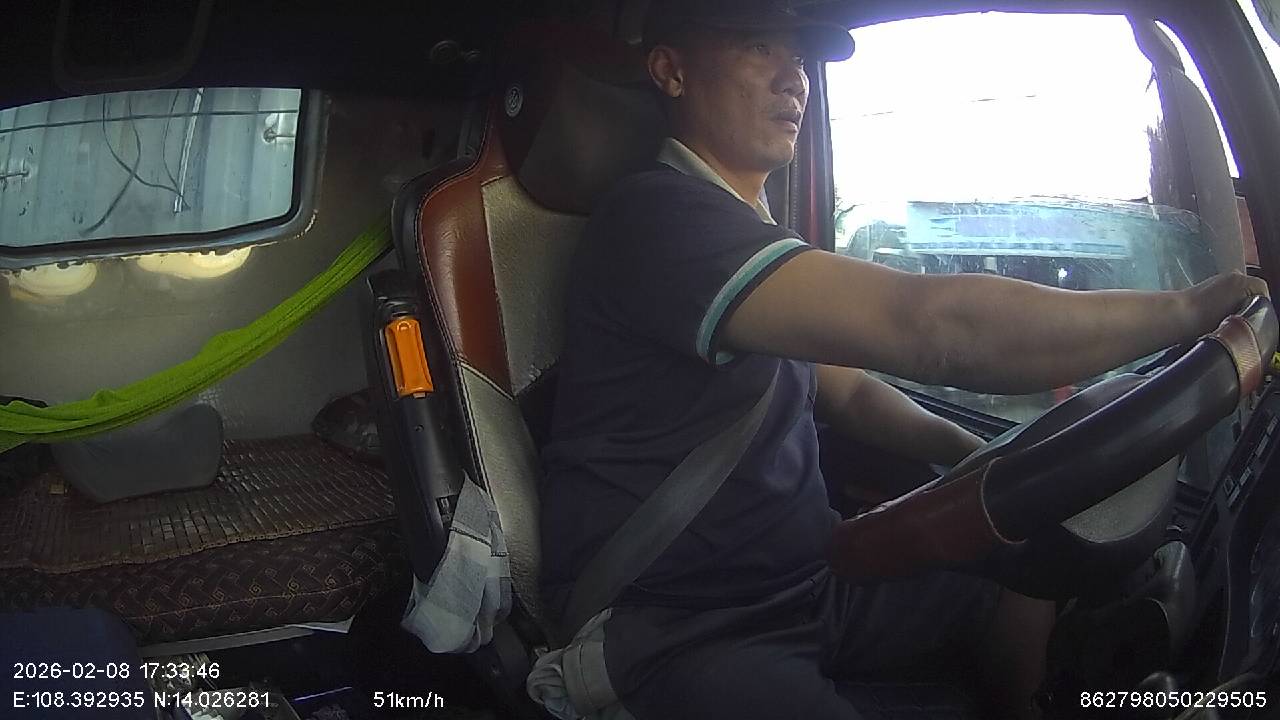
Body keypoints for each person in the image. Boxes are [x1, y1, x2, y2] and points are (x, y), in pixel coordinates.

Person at [537, 1, 1269, 718]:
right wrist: (1186, 311)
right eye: (758, 47)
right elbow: (933, 327)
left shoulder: (748, 231)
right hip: (685, 621)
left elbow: (848, 393)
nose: (794, 79)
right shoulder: (659, 218)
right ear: (671, 71)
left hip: (810, 581)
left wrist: (977, 456)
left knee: (1021, 567)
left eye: (798, 57)